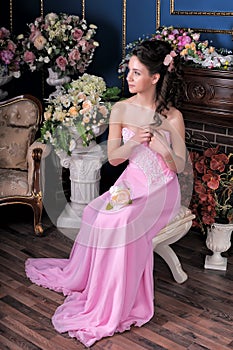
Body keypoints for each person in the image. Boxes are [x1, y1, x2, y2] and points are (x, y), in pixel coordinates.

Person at [25, 39, 186, 348]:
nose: (128, 77)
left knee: (122, 220)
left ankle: (116, 302)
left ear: (155, 77)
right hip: (132, 180)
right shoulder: (121, 109)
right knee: (94, 212)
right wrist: (135, 142)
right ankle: (97, 286)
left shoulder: (173, 116)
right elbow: (114, 158)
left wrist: (162, 147)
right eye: (128, 71)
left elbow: (178, 167)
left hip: (162, 189)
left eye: (137, 73)